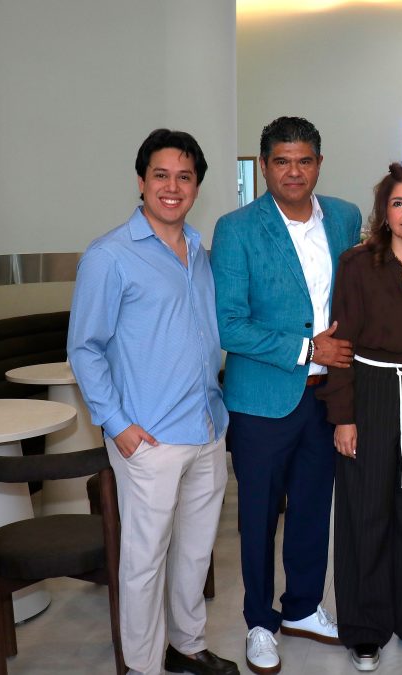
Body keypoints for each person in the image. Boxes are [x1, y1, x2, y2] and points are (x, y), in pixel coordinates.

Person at [67, 129, 236, 675]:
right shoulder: (109, 256)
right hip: (149, 438)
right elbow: (84, 349)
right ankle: (143, 667)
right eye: (161, 175)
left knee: (195, 552)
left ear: (197, 187)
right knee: (144, 561)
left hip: (207, 427)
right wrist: (117, 425)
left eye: (184, 177)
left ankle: (186, 646)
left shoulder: (201, 256)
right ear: (140, 182)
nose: (172, 187)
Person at [210, 116, 362, 675]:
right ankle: (259, 620)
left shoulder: (345, 218)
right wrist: (306, 349)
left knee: (313, 509)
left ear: (319, 164)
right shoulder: (236, 228)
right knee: (257, 516)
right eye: (281, 161)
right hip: (262, 400)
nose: (293, 172)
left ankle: (302, 607)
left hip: (327, 399)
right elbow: (228, 324)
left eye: (303, 161)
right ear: (264, 166)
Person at [318, 162, 402, 671]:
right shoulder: (358, 265)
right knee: (365, 513)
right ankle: (365, 628)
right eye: (398, 203)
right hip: (371, 393)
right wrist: (344, 416)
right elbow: (340, 344)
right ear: (384, 212)